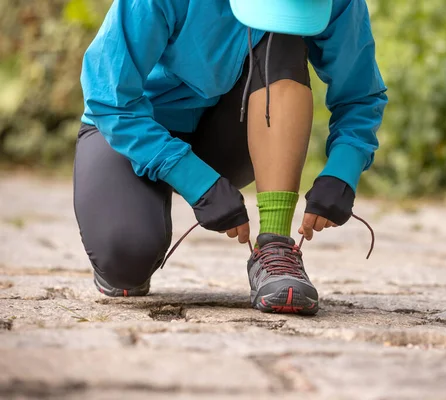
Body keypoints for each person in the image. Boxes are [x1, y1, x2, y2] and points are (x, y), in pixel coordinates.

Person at [74, 0, 387, 315]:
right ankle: (128, 249)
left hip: (234, 134)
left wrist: (343, 170)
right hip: (132, 129)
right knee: (126, 259)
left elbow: (360, 94)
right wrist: (194, 180)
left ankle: (276, 248)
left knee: (283, 38)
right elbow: (109, 97)